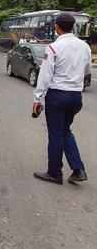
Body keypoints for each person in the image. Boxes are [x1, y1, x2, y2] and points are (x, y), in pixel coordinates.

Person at [33, 12, 92, 185]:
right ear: (73, 27)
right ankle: (78, 169)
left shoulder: (53, 48)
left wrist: (37, 98)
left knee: (56, 134)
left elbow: (45, 75)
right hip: (76, 96)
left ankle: (54, 173)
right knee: (65, 130)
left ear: (57, 27)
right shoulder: (85, 47)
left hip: (58, 96)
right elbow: (86, 68)